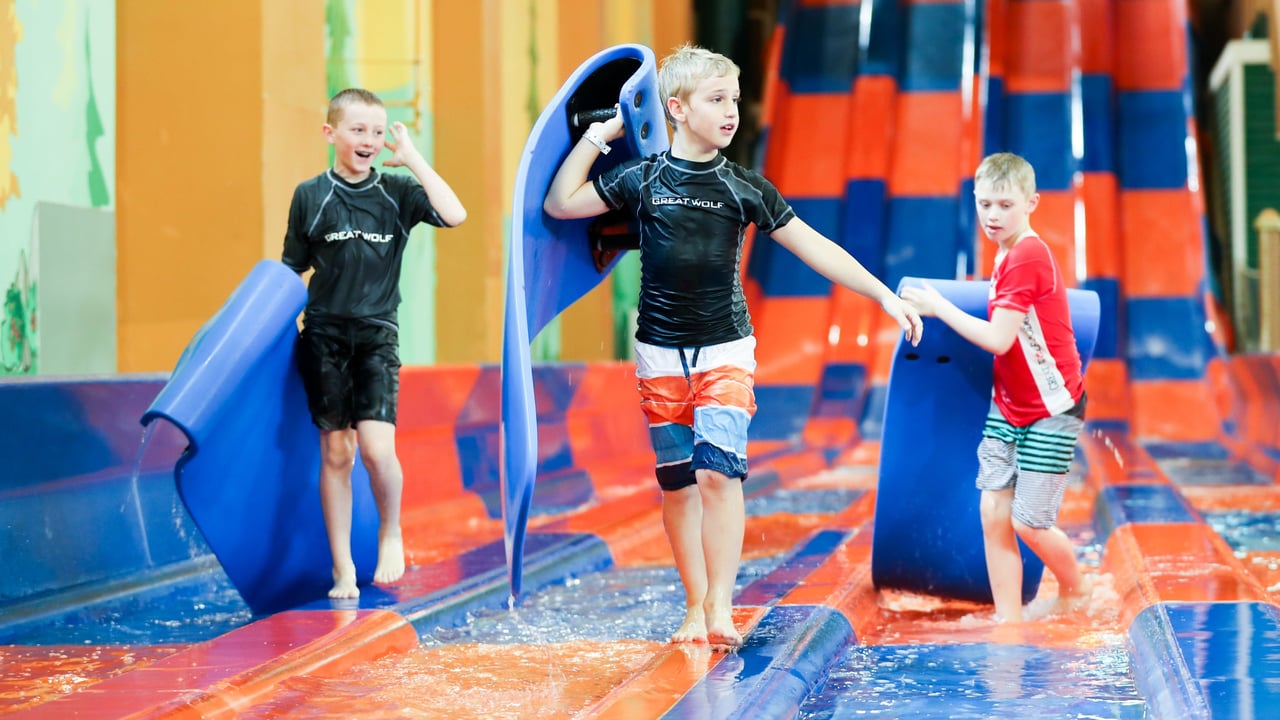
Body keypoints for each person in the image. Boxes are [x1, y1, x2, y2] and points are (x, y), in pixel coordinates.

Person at [543, 44, 922, 648]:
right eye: (716, 100)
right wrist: (598, 136)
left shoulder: (743, 187)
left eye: (735, 100)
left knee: (718, 475)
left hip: (725, 349)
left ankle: (721, 604)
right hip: (659, 353)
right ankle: (694, 604)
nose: (731, 112)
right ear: (677, 108)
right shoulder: (643, 179)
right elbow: (560, 203)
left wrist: (882, 294)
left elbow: (816, 246)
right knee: (678, 485)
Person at [282, 88, 467, 599]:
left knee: (377, 449)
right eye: (358, 129)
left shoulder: (397, 193)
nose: (369, 140)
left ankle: (390, 531)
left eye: (378, 132)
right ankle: (342, 567)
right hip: (323, 336)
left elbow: (455, 214)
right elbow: (290, 271)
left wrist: (413, 159)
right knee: (336, 451)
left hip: (376, 335)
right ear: (331, 134)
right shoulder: (310, 196)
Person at [900, 152, 1091, 623]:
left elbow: (998, 339)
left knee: (1028, 523)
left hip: (1052, 406)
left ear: (1031, 203)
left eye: (1005, 205)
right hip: (1008, 403)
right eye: (985, 204)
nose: (993, 215)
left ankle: (1078, 591)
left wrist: (939, 306)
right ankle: (1009, 620)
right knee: (993, 512)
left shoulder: (1027, 255)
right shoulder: (1006, 252)